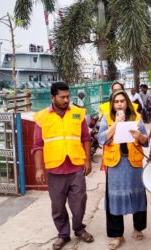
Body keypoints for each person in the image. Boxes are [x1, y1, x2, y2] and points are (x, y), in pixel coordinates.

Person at [33, 82, 94, 250]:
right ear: (52, 97)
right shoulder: (42, 117)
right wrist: (39, 169)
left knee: (79, 202)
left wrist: (87, 160)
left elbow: (86, 138)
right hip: (55, 169)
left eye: (68, 96)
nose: (67, 100)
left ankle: (79, 228)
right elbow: (38, 146)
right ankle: (63, 234)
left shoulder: (77, 114)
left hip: (76, 167)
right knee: (58, 206)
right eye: (63, 97)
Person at [98, 90, 148, 250]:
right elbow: (101, 139)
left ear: (127, 102)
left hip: (134, 164)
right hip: (115, 165)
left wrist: (140, 136)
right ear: (113, 104)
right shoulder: (107, 118)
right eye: (116, 101)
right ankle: (118, 235)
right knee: (115, 199)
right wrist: (115, 124)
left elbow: (146, 141)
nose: (119, 104)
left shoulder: (137, 118)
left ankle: (138, 227)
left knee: (138, 196)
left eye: (122, 101)